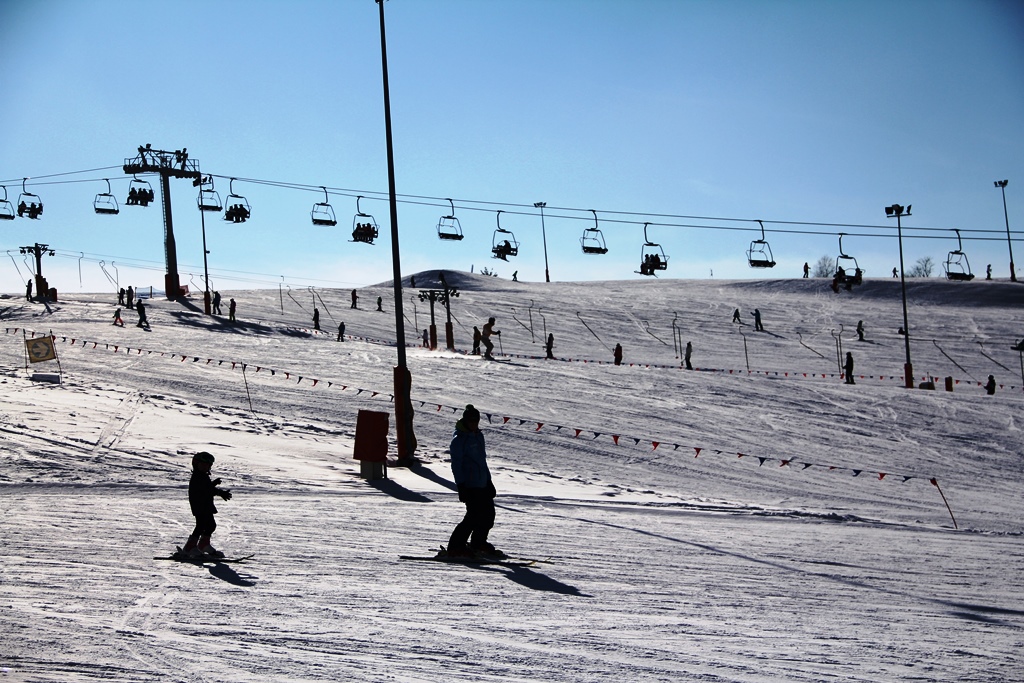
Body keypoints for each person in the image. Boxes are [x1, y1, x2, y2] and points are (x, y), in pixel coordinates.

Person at [446, 405, 501, 559]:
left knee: (489, 514)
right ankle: (455, 547)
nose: (474, 424)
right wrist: (461, 486)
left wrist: (489, 482)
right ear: (465, 420)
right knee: (473, 517)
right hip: (470, 485)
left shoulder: (478, 436)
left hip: (482, 483)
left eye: (476, 421)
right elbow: (456, 466)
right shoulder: (459, 440)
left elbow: (482, 462)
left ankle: (478, 543)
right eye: (471, 421)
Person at [178, 451, 233, 559]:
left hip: (205, 504)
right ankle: (190, 547)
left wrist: (213, 484)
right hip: (200, 505)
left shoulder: (202, 476)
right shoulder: (198, 476)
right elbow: (206, 489)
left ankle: (203, 545)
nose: (205, 467)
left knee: (210, 525)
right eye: (203, 465)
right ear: (196, 464)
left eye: (207, 465)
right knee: (201, 525)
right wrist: (219, 492)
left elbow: (206, 487)